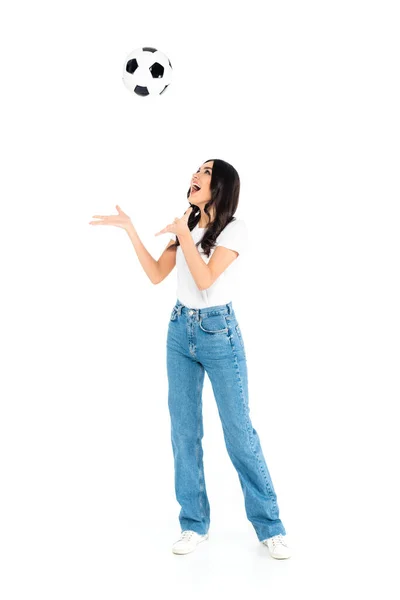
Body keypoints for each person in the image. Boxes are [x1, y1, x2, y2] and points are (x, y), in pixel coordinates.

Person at [89, 158, 291, 560]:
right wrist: (131, 230)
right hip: (179, 331)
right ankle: (193, 524)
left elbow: (204, 279)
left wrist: (184, 233)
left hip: (219, 333)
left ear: (222, 186)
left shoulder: (235, 229)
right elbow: (156, 275)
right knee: (184, 432)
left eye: (206, 171)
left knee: (239, 433)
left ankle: (270, 526)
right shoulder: (188, 220)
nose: (196, 175)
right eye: (196, 170)